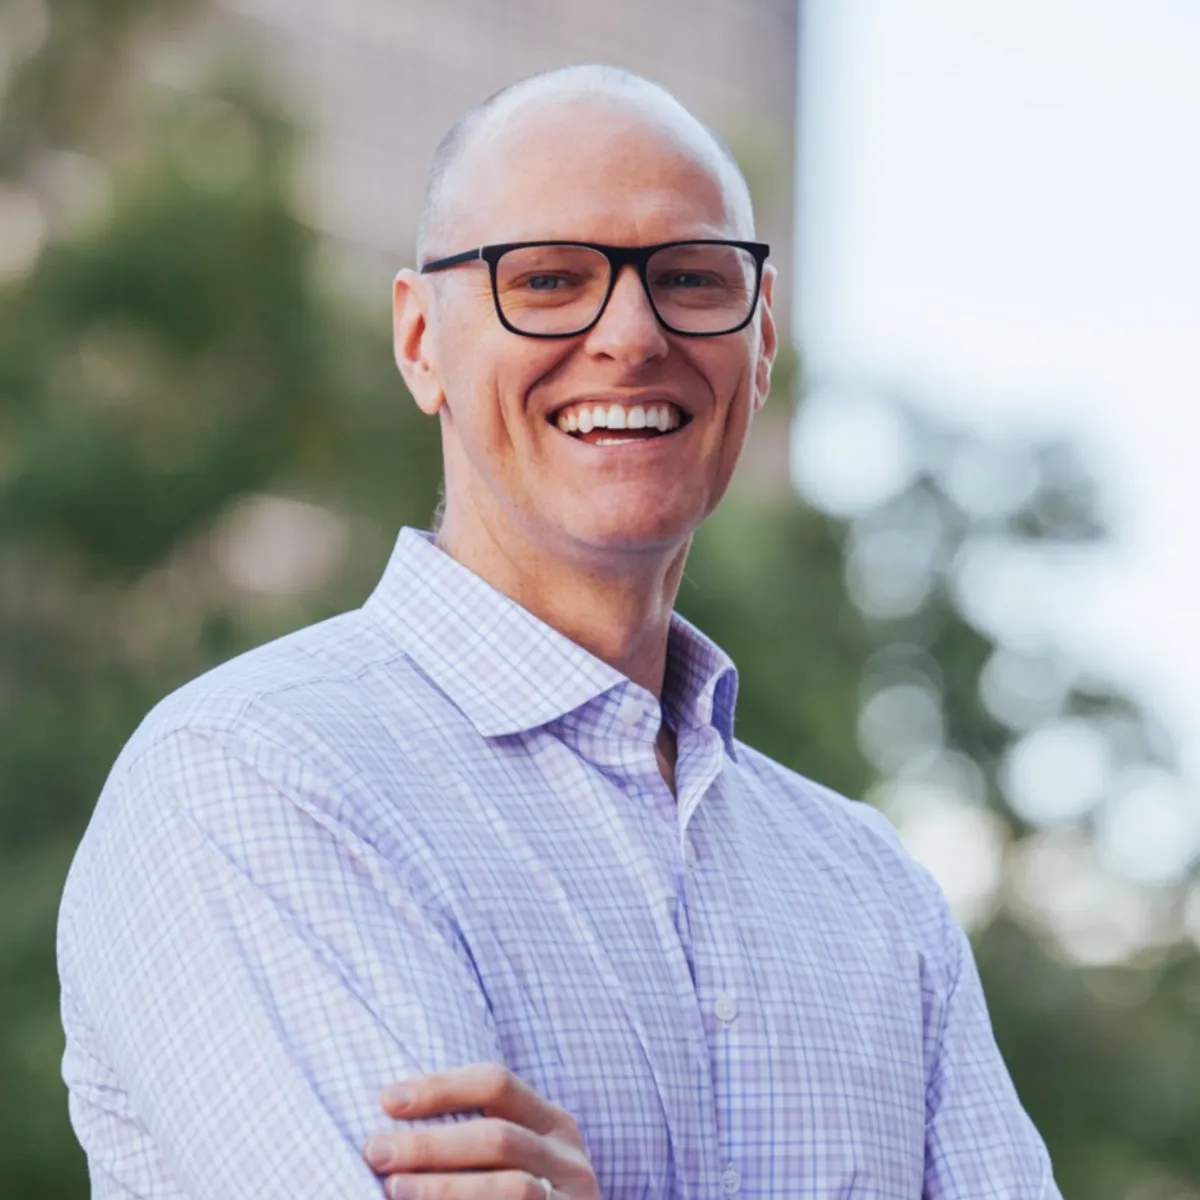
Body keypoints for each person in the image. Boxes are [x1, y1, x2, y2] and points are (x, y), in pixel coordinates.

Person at [57, 64, 1061, 1199]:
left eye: (690, 278)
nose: (631, 336)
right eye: (546, 279)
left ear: (762, 338)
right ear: (421, 340)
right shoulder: (253, 778)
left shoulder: (878, 896)